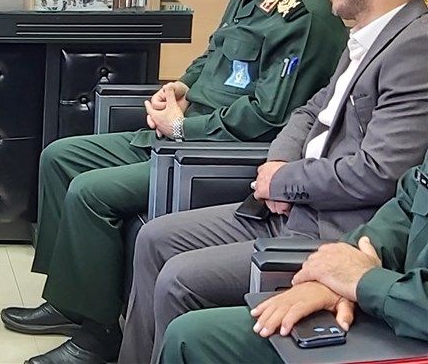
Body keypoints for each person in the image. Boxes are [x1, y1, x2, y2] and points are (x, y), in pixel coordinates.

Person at [1, 0, 347, 364]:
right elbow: (212, 56)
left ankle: (99, 336)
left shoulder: (305, 17)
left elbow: (268, 117)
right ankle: (69, 301)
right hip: (181, 131)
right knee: (60, 157)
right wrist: (180, 86)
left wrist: (184, 129)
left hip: (211, 153)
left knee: (90, 191)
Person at [120, 0, 428, 362]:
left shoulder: (414, 48)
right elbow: (310, 110)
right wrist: (278, 164)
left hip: (330, 228)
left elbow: (380, 172)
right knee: (153, 239)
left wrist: (285, 180)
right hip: (287, 205)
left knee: (179, 278)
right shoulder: (368, 34)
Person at [157, 146, 428, 364]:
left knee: (189, 323)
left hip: (405, 316)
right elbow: (407, 204)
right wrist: (337, 273)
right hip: (388, 298)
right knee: (190, 334)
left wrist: (362, 281)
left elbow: (375, 172)